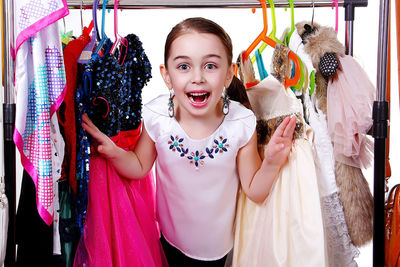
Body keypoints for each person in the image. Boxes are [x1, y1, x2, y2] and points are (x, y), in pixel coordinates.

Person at [82, 17, 296, 267]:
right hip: (168, 240)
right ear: (167, 76)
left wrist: (271, 162)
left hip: (218, 250)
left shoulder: (241, 123)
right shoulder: (157, 116)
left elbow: (254, 190)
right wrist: (114, 152)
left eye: (210, 66)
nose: (197, 77)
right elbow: (140, 166)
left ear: (229, 75)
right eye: (184, 66)